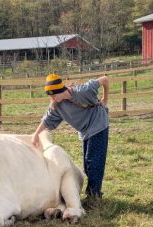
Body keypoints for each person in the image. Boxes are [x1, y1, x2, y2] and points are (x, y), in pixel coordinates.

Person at [32, 73, 109, 207]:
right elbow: (47, 120)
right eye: (50, 96)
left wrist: (105, 99)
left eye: (53, 95)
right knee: (87, 162)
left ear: (60, 90)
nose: (52, 98)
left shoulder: (83, 91)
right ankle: (92, 193)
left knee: (93, 160)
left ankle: (94, 196)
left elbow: (104, 80)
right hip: (85, 131)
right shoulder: (57, 106)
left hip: (98, 124)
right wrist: (36, 134)